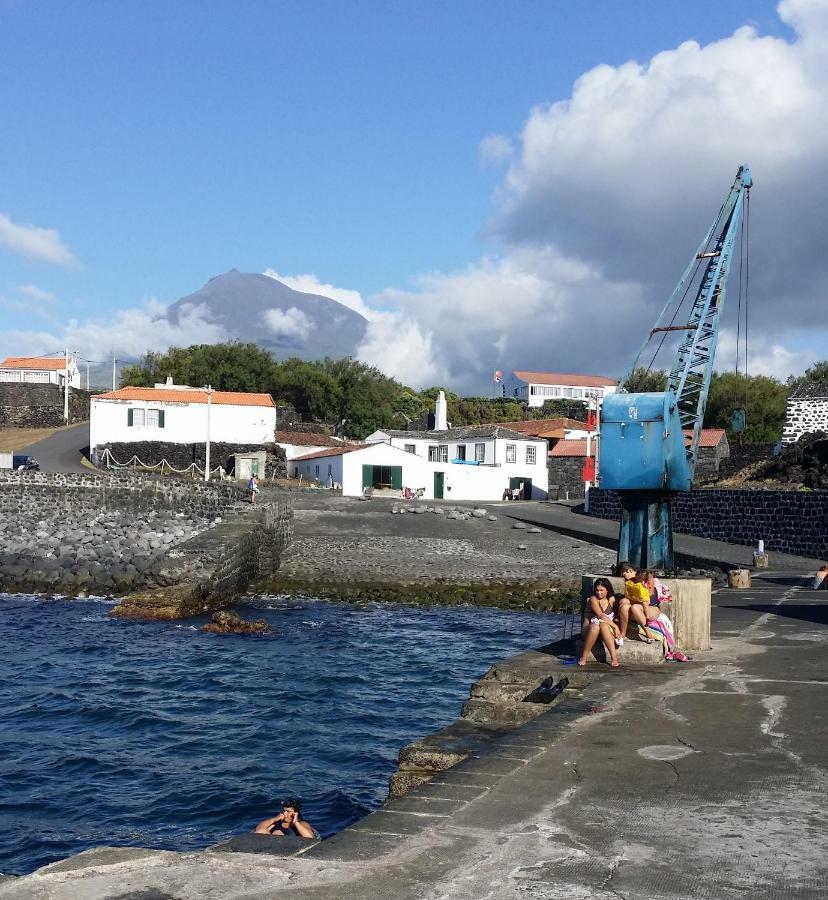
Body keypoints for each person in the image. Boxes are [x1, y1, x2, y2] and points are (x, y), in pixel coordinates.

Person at [578, 577, 621, 667]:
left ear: (607, 590)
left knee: (603, 625)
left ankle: (614, 658)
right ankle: (584, 657)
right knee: (595, 626)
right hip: (589, 630)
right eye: (597, 590)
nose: (599, 592)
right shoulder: (593, 599)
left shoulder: (611, 600)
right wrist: (615, 627)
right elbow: (601, 615)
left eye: (601, 590)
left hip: (605, 631)